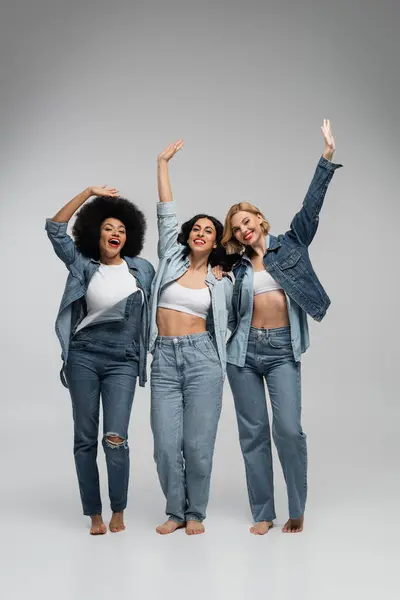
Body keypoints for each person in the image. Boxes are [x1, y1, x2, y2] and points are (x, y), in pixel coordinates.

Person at [221, 120, 341, 535]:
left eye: (247, 219)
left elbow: (312, 207)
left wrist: (326, 157)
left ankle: (296, 508)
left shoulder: (291, 243)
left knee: (288, 429)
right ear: (234, 234)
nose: (243, 227)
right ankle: (263, 513)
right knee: (252, 434)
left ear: (260, 218)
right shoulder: (233, 266)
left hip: (282, 350)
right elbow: (196, 251)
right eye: (236, 226)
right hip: (243, 353)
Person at [46, 186, 154, 535]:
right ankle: (94, 513)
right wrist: (89, 193)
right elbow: (54, 228)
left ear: (129, 237)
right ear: (96, 232)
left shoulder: (142, 269)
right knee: (85, 438)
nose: (116, 233)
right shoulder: (83, 264)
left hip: (123, 359)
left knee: (115, 437)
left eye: (122, 229)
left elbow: (175, 277)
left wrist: (217, 271)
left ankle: (118, 508)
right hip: (85, 356)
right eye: (109, 227)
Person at [150, 141, 234, 536]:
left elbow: (242, 316)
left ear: (217, 241)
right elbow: (166, 213)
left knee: (198, 447)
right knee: (166, 446)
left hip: (203, 360)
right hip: (164, 359)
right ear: (189, 235)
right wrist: (162, 164)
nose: (201, 232)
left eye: (209, 230)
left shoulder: (223, 280)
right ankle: (174, 511)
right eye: (197, 228)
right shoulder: (171, 256)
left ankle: (195, 512)